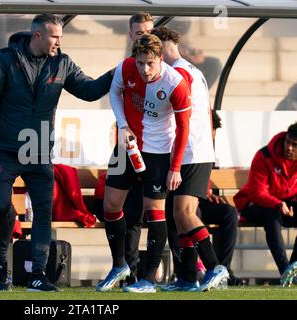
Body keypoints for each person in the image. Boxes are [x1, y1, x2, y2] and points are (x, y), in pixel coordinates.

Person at [0, 13, 113, 292]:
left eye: (60, 37)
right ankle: (1, 267)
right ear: (38, 35)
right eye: (55, 37)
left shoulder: (62, 63)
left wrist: (116, 74)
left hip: (38, 149)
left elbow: (88, 90)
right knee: (1, 208)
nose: (59, 42)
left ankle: (38, 274)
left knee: (43, 212)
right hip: (4, 148)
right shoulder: (3, 59)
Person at [96, 33, 191, 293]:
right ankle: (119, 265)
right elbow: (115, 94)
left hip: (158, 152)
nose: (145, 69)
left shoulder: (176, 83)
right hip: (126, 146)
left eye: (150, 63)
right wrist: (123, 126)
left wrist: (175, 167)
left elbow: (184, 128)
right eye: (140, 63)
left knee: (154, 210)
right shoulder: (125, 67)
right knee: (111, 203)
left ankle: (148, 278)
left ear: (161, 59)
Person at [151, 26, 229, 292]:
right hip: (191, 151)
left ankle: (215, 266)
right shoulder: (192, 70)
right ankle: (187, 278)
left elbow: (167, 111)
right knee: (179, 216)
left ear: (161, 48)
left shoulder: (178, 73)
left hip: (191, 153)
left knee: (184, 214)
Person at [165, 108, 245, 286]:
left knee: (225, 213)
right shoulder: (186, 132)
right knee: (183, 213)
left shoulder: (200, 145)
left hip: (195, 191)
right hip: (184, 190)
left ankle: (219, 268)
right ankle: (188, 275)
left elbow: (196, 171)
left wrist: (204, 192)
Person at [234, 122, 297, 287]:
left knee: (275, 212)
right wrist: (278, 204)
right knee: (272, 213)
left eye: (295, 145)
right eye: (288, 142)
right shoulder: (265, 155)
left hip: (283, 205)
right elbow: (257, 193)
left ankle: (293, 270)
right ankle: (285, 270)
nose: (289, 147)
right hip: (252, 204)